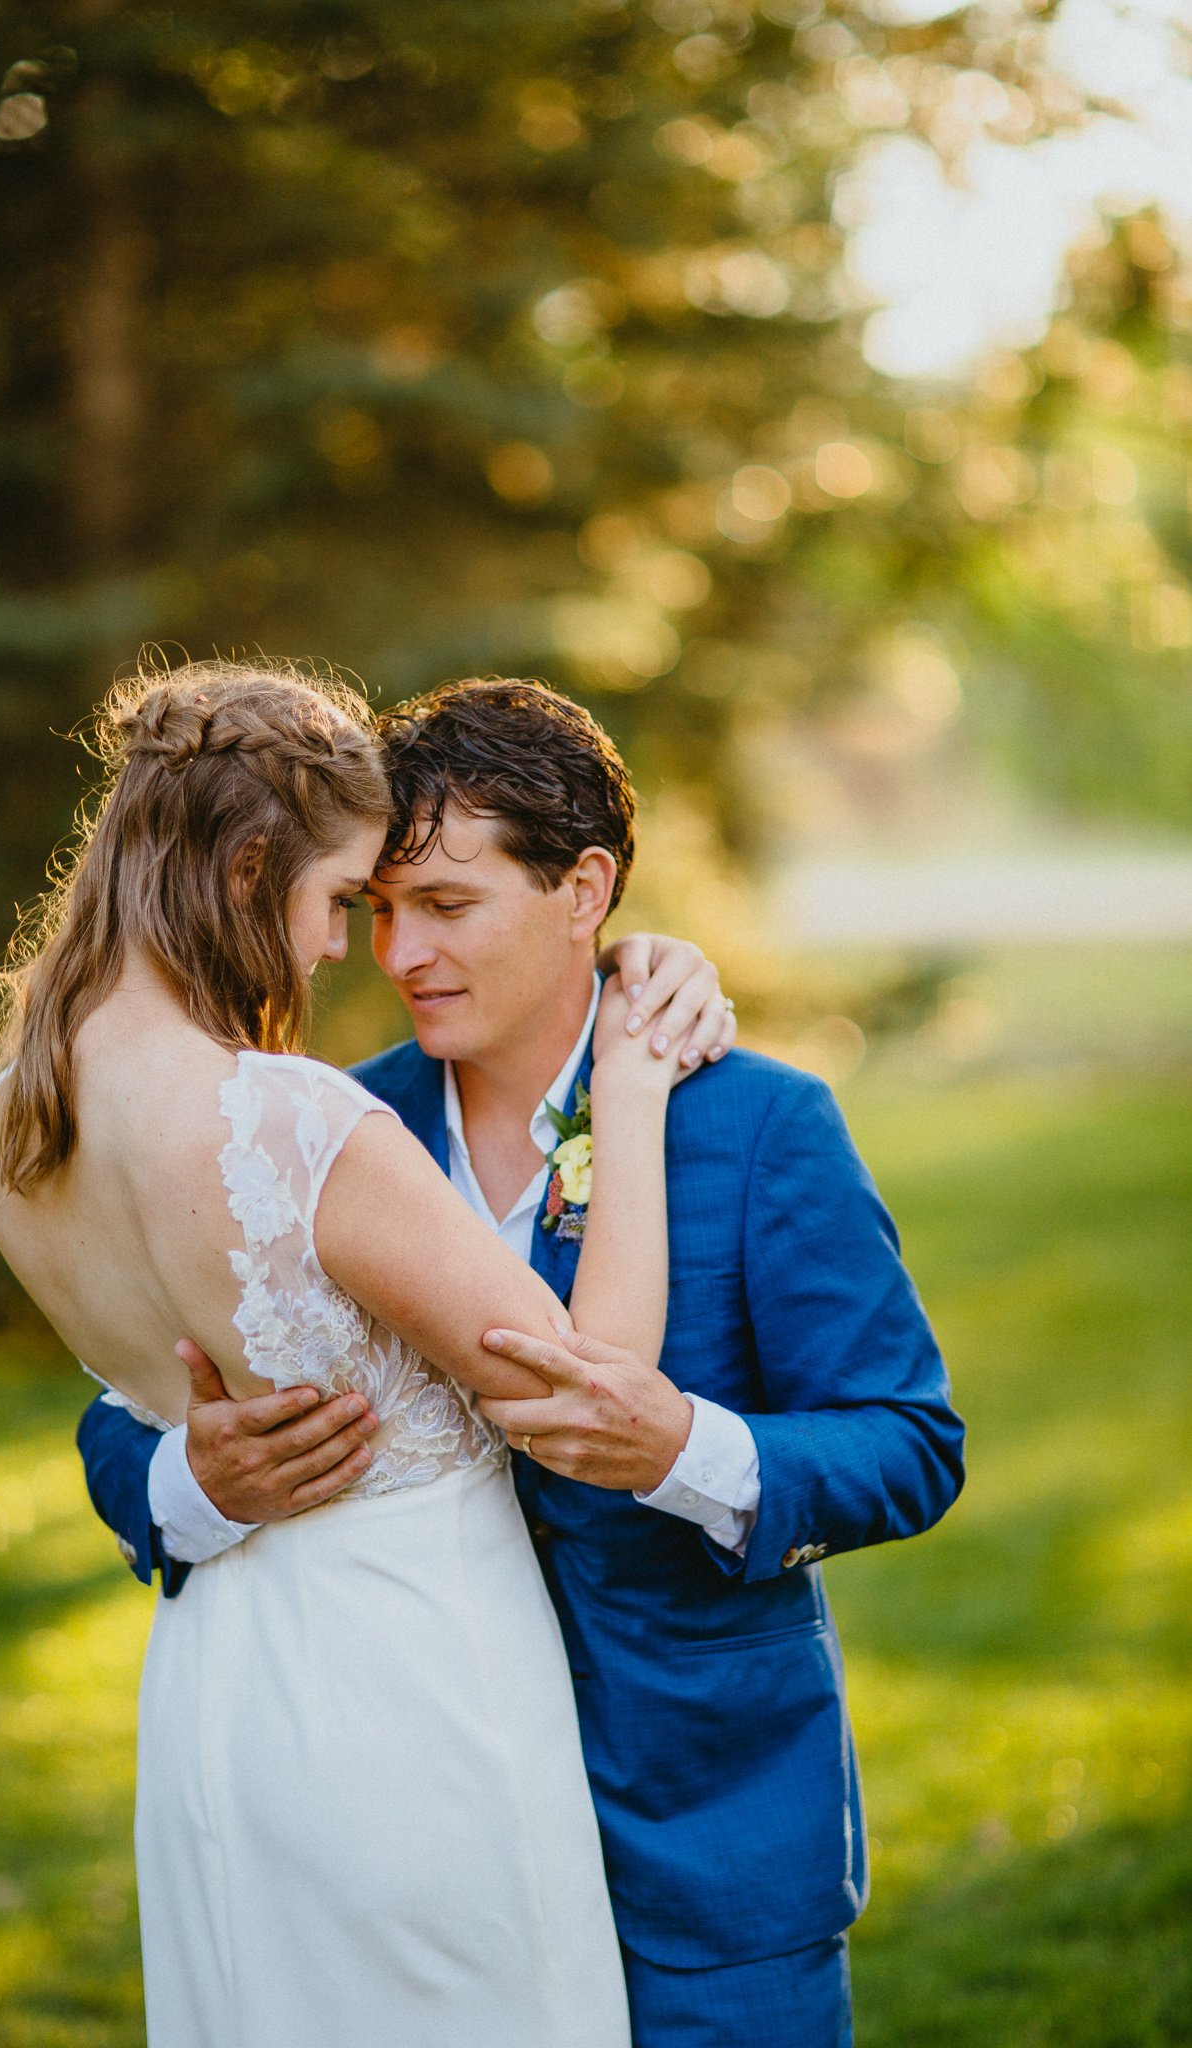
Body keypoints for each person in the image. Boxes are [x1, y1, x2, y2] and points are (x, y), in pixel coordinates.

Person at [81, 675, 967, 2048]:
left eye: (446, 905)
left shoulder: (758, 1127)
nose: (400, 955)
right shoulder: (317, 1126)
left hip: (693, 1841)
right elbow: (118, 1404)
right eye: (377, 910)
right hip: (409, 1837)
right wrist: (193, 1481)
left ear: (583, 889)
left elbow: (907, 1439)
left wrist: (689, 1450)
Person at [0, 658, 715, 2048]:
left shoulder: (11, 1129)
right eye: (336, 903)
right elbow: (593, 1384)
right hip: (414, 1690)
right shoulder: (293, 1126)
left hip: (217, 1690)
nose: (337, 952)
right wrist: (630, 1087)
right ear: (250, 867)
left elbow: (155, 1400)